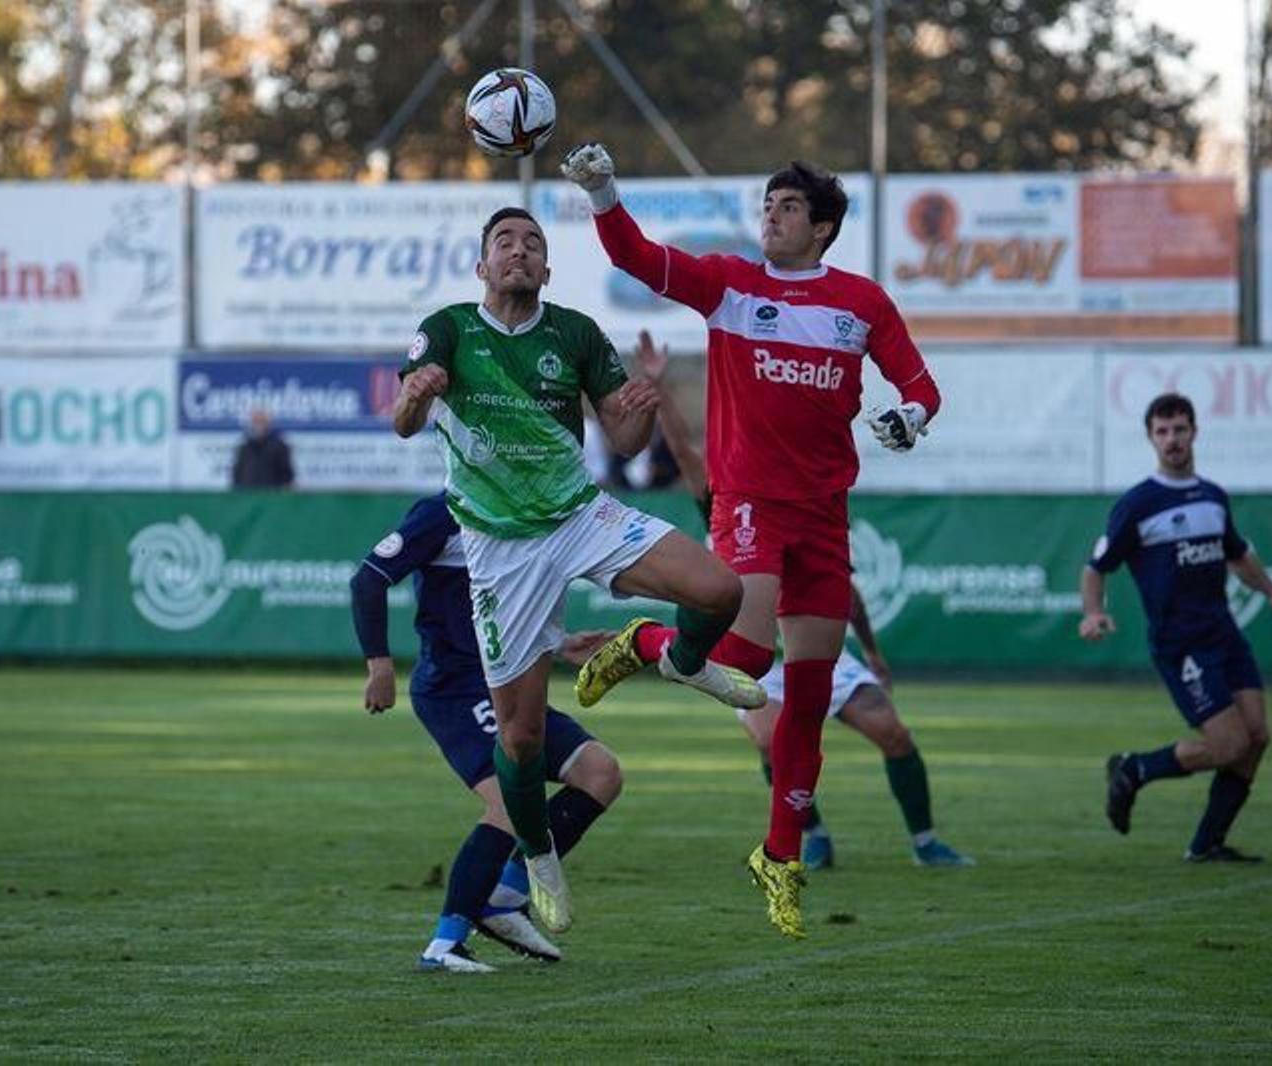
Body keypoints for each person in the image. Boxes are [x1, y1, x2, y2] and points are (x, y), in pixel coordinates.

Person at [561, 146, 942, 938]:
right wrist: (603, 189)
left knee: (805, 700)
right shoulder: (732, 284)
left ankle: (780, 855)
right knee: (742, 661)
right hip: (750, 504)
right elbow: (635, 256)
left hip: (824, 517)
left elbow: (920, 384)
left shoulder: (861, 302)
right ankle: (647, 639)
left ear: (824, 228)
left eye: (789, 207)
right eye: (767, 204)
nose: (772, 214)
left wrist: (911, 417)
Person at [392, 206, 765, 936]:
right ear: (482, 266)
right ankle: (537, 853)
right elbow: (405, 423)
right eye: (505, 242)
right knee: (521, 739)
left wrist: (642, 408)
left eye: (533, 243)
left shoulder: (575, 333)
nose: (520, 252)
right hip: (501, 548)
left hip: (579, 515)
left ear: (548, 267)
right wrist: (416, 392)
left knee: (720, 588)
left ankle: (685, 661)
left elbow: (623, 442)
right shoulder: (448, 329)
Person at [631, 331, 971, 872]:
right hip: (753, 654)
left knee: (893, 732)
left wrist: (873, 651)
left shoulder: (796, 500)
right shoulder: (718, 502)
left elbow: (846, 589)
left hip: (813, 644)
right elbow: (685, 451)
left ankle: (927, 841)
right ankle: (811, 835)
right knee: (771, 740)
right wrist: (659, 386)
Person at [351, 493, 620, 973]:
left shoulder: (522, 511)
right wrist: (380, 665)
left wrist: (558, 643)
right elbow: (367, 580)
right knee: (511, 803)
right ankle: (444, 945)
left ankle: (505, 895)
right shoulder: (441, 513)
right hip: (456, 687)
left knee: (600, 773)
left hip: (509, 680)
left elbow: (502, 611)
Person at [1079, 392, 1272, 863]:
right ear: (1150, 438)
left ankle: (1206, 844)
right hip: (1181, 645)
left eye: (1179, 429)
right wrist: (1093, 612)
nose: (1172, 439)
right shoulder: (1138, 504)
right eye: (1162, 431)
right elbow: (1096, 567)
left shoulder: (1213, 497)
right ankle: (1135, 769)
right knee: (1229, 744)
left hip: (1225, 635)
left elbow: (1238, 555)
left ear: (1194, 431)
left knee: (1257, 737)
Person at [230, 407, 295, 489]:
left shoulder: (279, 446)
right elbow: (237, 474)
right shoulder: (245, 447)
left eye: (261, 422)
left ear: (268, 423)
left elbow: (287, 475)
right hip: (247, 496)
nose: (258, 426)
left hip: (271, 495)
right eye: (255, 422)